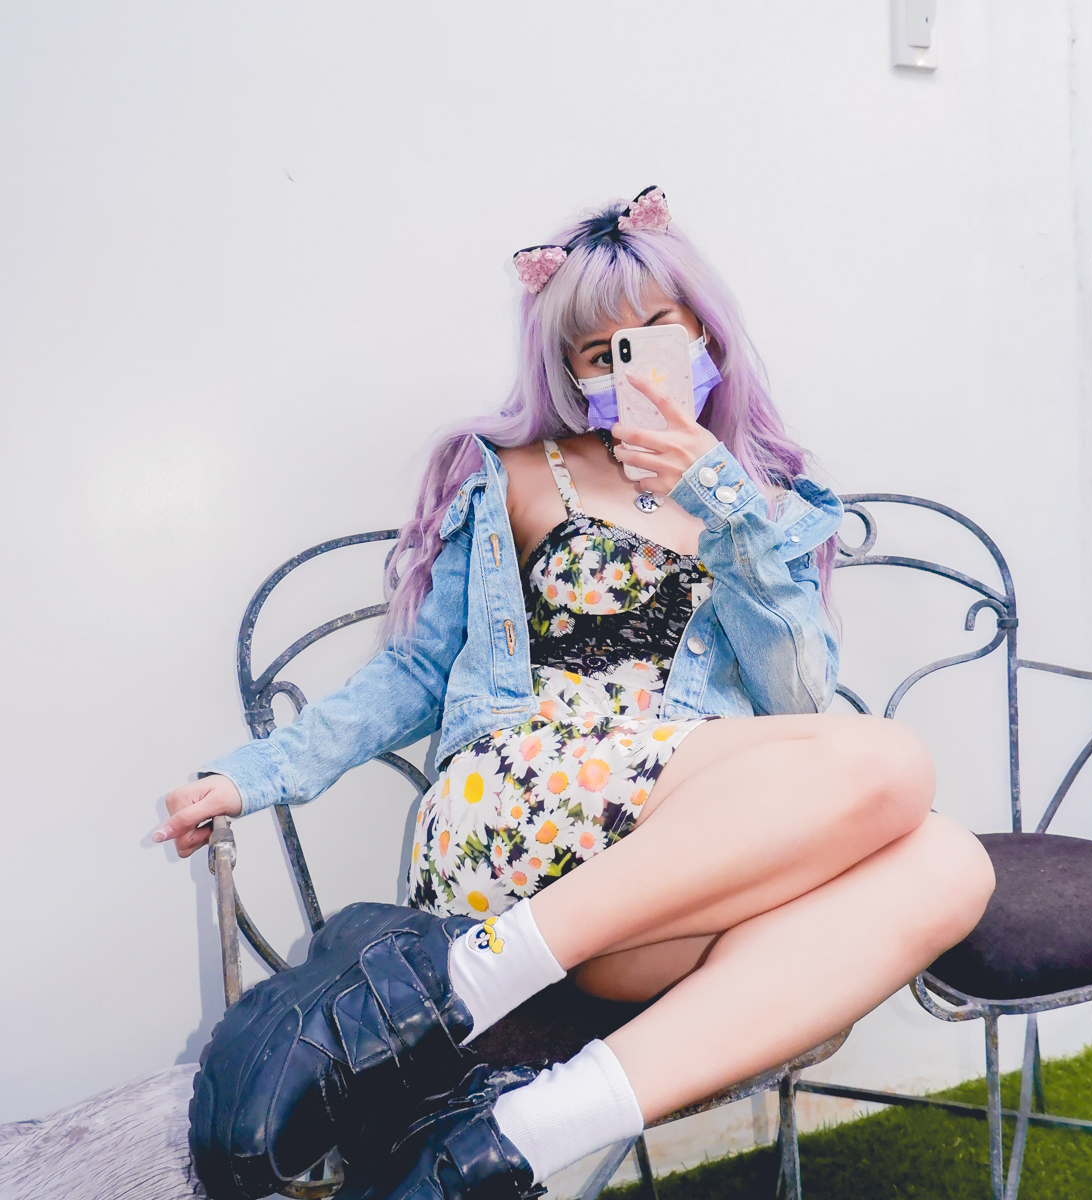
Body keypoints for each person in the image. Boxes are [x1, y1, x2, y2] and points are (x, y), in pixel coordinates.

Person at [155, 187, 995, 1200]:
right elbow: (417, 671)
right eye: (599, 354)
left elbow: (800, 703)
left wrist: (724, 502)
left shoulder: (766, 507)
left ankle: (496, 1145)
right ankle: (458, 978)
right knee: (893, 761)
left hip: (665, 877)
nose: (626, 370)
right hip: (521, 806)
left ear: (705, 336)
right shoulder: (516, 476)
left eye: (652, 337)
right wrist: (257, 775)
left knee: (950, 865)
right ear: (569, 371)